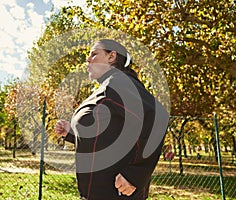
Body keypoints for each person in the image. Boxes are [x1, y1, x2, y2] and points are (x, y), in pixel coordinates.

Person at [55, 39, 169, 200]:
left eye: (94, 54)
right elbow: (108, 135)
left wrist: (135, 174)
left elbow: (158, 118)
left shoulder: (119, 82)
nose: (88, 60)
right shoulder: (107, 86)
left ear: (111, 56)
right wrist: (71, 133)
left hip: (117, 193)